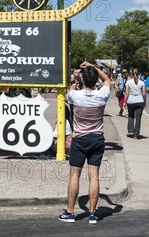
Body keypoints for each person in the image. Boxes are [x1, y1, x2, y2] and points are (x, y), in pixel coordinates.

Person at [58, 61, 111, 225]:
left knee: (75, 175)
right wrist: (94, 68)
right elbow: (108, 80)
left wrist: (75, 79)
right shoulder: (102, 95)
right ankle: (93, 214)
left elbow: (69, 92)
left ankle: (71, 212)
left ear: (83, 79)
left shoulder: (75, 96)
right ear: (95, 80)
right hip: (97, 138)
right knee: (93, 176)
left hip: (80, 139)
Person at [124, 69, 146, 139]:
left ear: (131, 74)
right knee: (138, 118)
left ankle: (131, 130)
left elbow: (127, 93)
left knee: (131, 116)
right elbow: (144, 94)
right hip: (139, 101)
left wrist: (125, 102)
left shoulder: (128, 82)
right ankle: (136, 134)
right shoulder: (142, 83)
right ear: (139, 74)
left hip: (131, 101)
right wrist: (144, 102)